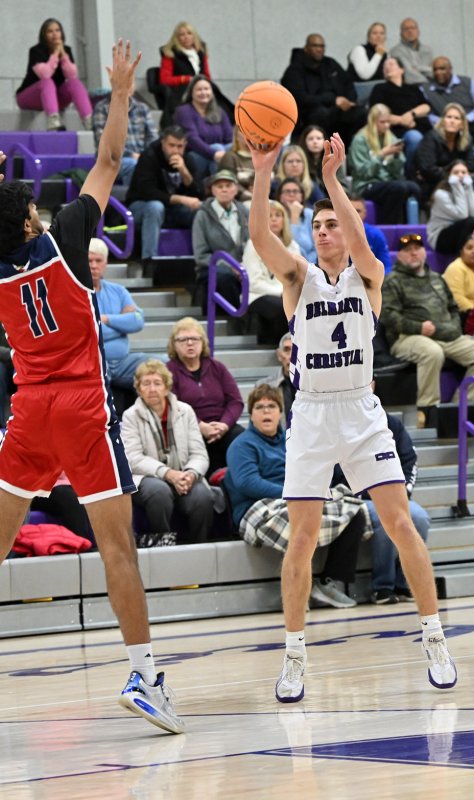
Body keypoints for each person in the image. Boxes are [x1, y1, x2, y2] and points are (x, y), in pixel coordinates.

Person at [0, 41, 182, 734]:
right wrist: (121, 91)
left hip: (27, 411)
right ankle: (142, 676)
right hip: (79, 405)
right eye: (32, 210)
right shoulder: (69, 236)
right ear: (26, 223)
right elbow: (108, 162)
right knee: (118, 550)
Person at [247, 132, 457, 701]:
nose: (324, 231)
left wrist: (334, 181)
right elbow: (260, 237)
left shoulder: (369, 278)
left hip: (361, 411)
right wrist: (263, 171)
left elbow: (362, 242)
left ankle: (434, 636)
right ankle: (293, 656)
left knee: (400, 522)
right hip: (312, 412)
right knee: (302, 539)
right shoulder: (298, 279)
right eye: (316, 226)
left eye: (332, 224)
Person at [225, 384, 361, 610]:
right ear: (252, 414)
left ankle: (326, 582)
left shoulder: (295, 439)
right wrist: (294, 495)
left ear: (280, 412)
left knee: (356, 510)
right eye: (260, 407)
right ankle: (295, 590)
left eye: (271, 406)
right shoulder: (241, 445)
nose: (266, 411)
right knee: (294, 521)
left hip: (296, 497)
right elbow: (247, 483)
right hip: (255, 506)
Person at [380, 233, 474, 427]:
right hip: (408, 337)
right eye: (407, 251)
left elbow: (453, 308)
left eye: (417, 249)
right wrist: (418, 327)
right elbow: (388, 317)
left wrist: (452, 328)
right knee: (431, 352)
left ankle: (461, 407)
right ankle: (428, 411)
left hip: (444, 335)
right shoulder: (392, 281)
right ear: (399, 256)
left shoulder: (437, 278)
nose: (413, 253)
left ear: (424, 253)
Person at [333, 407, 431, 605]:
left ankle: (404, 584)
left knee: (419, 517)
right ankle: (383, 586)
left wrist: (403, 493)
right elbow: (334, 470)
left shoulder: (390, 423)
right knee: (385, 518)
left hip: (392, 494)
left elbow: (409, 460)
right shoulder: (338, 425)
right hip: (354, 499)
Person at [122, 359, 222, 543]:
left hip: (184, 475)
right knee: (159, 492)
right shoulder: (130, 416)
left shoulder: (186, 411)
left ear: (167, 387)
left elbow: (199, 454)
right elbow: (133, 458)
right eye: (146, 383)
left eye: (157, 383)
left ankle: (199, 546)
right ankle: (164, 545)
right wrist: (167, 473)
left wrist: (190, 474)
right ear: (138, 389)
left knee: (202, 497)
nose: (152, 389)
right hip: (147, 478)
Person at [166, 317, 244, 476]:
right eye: (183, 339)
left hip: (222, 427)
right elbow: (172, 407)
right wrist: (201, 427)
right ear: (174, 345)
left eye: (194, 338)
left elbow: (235, 401)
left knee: (241, 439)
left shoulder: (217, 367)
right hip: (190, 429)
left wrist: (224, 425)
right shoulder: (168, 371)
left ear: (203, 343)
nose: (190, 343)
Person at [88, 237, 151, 413]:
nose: (93, 265)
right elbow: (90, 332)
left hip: (124, 361)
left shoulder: (118, 291)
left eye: (98, 261)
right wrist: (122, 323)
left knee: (161, 366)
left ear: (105, 264)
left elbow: (138, 321)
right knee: (98, 370)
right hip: (95, 360)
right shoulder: (77, 293)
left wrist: (106, 319)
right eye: (89, 261)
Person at [126, 125, 202, 270]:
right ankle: (149, 263)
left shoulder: (188, 159)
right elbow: (147, 192)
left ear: (185, 145)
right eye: (171, 145)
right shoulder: (149, 157)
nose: (175, 151)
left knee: (199, 211)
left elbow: (198, 193)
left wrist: (184, 172)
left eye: (180, 146)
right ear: (163, 143)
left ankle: (199, 264)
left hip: (172, 210)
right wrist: (181, 199)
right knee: (155, 207)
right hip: (140, 207)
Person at [280, 33, 366, 142]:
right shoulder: (294, 70)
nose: (319, 49)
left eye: (322, 46)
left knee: (360, 113)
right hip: (309, 113)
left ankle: (350, 151)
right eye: (315, 46)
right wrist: (332, 100)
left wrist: (350, 101)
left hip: (338, 110)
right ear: (306, 48)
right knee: (320, 114)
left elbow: (347, 83)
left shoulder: (330, 64)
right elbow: (300, 98)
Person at [16, 17, 93, 131]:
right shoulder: (36, 51)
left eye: (57, 30)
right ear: (44, 35)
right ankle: (53, 121)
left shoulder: (66, 50)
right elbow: (45, 74)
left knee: (75, 83)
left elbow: (72, 75)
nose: (55, 34)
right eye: (50, 31)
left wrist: (63, 56)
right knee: (47, 82)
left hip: (54, 98)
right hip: (29, 97)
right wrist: (56, 53)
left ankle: (89, 121)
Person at [348, 103, 420, 224]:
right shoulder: (360, 140)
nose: (386, 125)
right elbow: (363, 172)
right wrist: (382, 154)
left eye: (388, 122)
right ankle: (389, 227)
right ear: (373, 121)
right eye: (382, 122)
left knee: (414, 187)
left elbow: (397, 173)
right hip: (366, 184)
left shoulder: (391, 137)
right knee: (398, 188)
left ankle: (409, 227)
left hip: (387, 182)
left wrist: (396, 156)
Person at [243, 201, 301, 345]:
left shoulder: (293, 246)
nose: (274, 219)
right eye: (269, 216)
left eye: (278, 215)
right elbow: (254, 282)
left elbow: (297, 279)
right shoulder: (252, 245)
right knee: (280, 307)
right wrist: (283, 293)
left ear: (284, 220)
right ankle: (278, 347)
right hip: (257, 295)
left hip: (285, 295)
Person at [192, 169, 249, 309]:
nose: (224, 190)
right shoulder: (202, 215)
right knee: (226, 278)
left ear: (236, 189)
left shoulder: (245, 211)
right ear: (213, 190)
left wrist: (245, 265)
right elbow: (201, 256)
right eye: (220, 186)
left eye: (228, 186)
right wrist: (231, 266)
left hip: (244, 266)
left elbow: (253, 243)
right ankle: (238, 319)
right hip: (213, 268)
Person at [369, 56, 432, 173]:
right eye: (384, 66)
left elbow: (426, 106)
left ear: (402, 70)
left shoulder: (413, 89)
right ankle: (411, 173)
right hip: (395, 131)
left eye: (391, 64)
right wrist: (402, 120)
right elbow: (377, 112)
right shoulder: (380, 89)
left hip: (421, 126)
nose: (387, 67)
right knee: (414, 137)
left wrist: (411, 114)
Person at [92, 85, 158, 188]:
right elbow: (103, 142)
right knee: (132, 164)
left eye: (131, 83)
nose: (128, 86)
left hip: (142, 157)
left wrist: (145, 156)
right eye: (126, 81)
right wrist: (131, 155)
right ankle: (132, 200)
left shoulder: (143, 108)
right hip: (111, 161)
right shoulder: (102, 108)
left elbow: (153, 137)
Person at [173, 74, 233, 181]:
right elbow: (192, 139)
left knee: (234, 149)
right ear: (191, 93)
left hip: (219, 153)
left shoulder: (219, 111)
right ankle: (222, 188)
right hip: (194, 155)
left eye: (206, 89)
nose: (203, 93)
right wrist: (214, 153)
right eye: (199, 90)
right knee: (217, 148)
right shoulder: (184, 111)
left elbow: (230, 137)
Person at [415, 102, 474, 200]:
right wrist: (455, 173)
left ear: (462, 124)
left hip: (459, 184)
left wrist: (455, 174)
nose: (452, 121)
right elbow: (428, 169)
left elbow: (471, 164)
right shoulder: (431, 138)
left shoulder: (466, 140)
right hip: (433, 185)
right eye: (449, 117)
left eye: (456, 118)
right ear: (443, 121)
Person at [158, 21, 211, 126]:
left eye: (189, 33)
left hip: (201, 89)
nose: (186, 37)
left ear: (194, 36)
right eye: (182, 35)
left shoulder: (200, 52)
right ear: (176, 38)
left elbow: (207, 75)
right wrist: (186, 79)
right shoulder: (170, 53)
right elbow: (164, 79)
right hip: (181, 90)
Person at [426, 160, 474, 254]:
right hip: (439, 237)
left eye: (464, 172)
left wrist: (469, 189)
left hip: (459, 234)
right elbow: (462, 215)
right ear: (449, 176)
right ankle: (461, 257)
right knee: (469, 222)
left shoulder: (468, 190)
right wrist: (456, 185)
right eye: (456, 172)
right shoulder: (440, 194)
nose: (460, 175)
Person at [348, 192, 391, 273]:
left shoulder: (375, 235)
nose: (354, 214)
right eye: (350, 210)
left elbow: (386, 266)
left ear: (365, 213)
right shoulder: (333, 234)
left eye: (358, 211)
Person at [258, 333, 295, 423]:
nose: (291, 356)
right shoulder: (264, 387)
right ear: (279, 355)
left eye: (296, 350)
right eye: (287, 350)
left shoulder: (316, 387)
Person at [276, 178, 316, 262]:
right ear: (280, 197)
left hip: (310, 266)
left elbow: (317, 248)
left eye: (295, 191)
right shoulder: (276, 217)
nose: (291, 194)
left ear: (302, 196)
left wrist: (307, 265)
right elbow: (291, 246)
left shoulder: (310, 215)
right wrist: (294, 217)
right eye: (287, 191)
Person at [389, 18, 433, 85]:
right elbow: (409, 74)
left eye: (413, 28)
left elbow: (432, 72)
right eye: (406, 29)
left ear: (418, 32)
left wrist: (416, 68)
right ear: (401, 33)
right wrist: (428, 84)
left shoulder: (427, 50)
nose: (410, 31)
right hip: (409, 88)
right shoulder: (396, 51)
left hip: (430, 87)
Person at [219, 127, 255, 201]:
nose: (249, 135)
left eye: (253, 132)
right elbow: (228, 182)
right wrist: (250, 195)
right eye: (245, 132)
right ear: (236, 136)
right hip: (241, 202)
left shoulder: (264, 158)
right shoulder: (230, 157)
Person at [297, 125, 328, 190]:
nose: (315, 142)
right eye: (310, 139)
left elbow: (343, 186)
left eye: (319, 138)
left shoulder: (333, 159)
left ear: (325, 141)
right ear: (304, 142)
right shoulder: (299, 160)